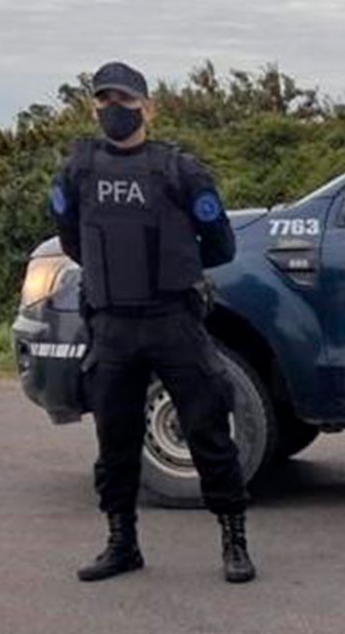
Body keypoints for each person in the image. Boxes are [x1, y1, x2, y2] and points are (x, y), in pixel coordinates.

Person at [50, 61, 256, 584]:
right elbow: (72, 239)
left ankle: (234, 540)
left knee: (208, 430)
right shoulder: (78, 170)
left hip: (173, 320)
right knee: (115, 440)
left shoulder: (179, 170)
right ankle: (122, 543)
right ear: (93, 107)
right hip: (114, 324)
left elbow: (220, 245)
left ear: (148, 107)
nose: (114, 110)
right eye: (104, 101)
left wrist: (172, 270)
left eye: (125, 100)